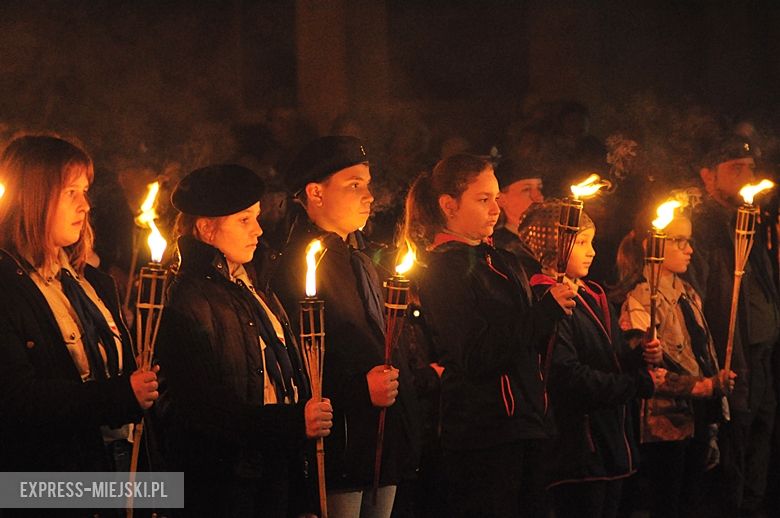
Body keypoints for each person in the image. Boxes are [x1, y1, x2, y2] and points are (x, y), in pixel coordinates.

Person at [154, 164, 333, 517]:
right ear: (206, 229)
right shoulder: (187, 299)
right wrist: (293, 423)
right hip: (228, 486)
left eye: (256, 218)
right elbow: (203, 408)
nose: (258, 230)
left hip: (274, 471)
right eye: (244, 220)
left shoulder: (255, 285)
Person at [404, 154, 576, 518]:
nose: (495, 209)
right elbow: (476, 353)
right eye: (483, 199)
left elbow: (528, 339)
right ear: (449, 205)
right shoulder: (445, 270)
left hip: (527, 423)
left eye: (496, 197)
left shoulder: (500, 259)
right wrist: (542, 314)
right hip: (485, 436)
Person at [271, 136, 420, 518]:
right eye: (354, 185)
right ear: (316, 193)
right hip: (340, 441)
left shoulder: (361, 257)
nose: (368, 196)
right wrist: (359, 390)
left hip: (379, 437)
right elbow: (298, 361)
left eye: (368, 185)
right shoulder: (301, 263)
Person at [0, 135, 159, 475]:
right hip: (55, 479)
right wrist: (119, 396)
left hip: (125, 463)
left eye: (85, 191)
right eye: (71, 192)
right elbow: (18, 398)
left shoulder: (93, 283)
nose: (85, 205)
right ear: (33, 197)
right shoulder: (8, 288)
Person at [518, 199, 663, 518]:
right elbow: (568, 377)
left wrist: (639, 357)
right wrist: (636, 384)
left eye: (591, 242)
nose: (592, 251)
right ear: (554, 245)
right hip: (578, 449)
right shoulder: (548, 302)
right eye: (581, 242)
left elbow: (611, 358)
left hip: (610, 441)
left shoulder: (592, 294)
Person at [612, 210, 734, 518]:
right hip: (665, 425)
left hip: (696, 417)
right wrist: (703, 386)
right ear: (652, 244)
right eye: (679, 241)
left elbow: (698, 350)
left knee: (692, 501)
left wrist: (715, 378)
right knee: (667, 502)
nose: (689, 249)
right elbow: (650, 372)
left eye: (689, 240)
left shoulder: (687, 292)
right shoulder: (640, 298)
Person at [685, 134, 779, 517]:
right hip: (731, 352)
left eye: (750, 168)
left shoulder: (754, 220)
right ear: (709, 176)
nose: (745, 175)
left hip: (762, 350)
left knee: (761, 432)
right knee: (735, 438)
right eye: (734, 169)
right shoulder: (704, 227)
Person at [492, 158, 545, 274]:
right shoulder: (498, 248)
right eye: (526, 190)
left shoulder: (549, 240)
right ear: (501, 199)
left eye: (539, 188)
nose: (537, 197)